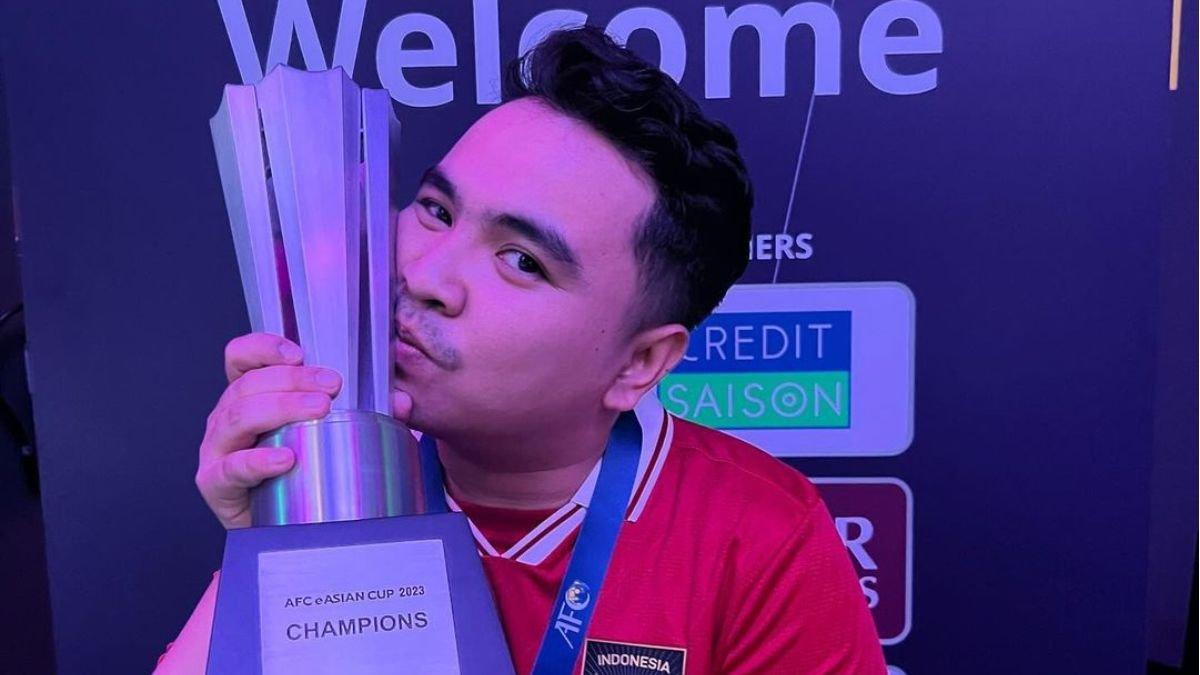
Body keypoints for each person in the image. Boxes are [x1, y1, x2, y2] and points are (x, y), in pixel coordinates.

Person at [157, 25, 885, 675]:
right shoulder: (342, 475)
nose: (426, 276)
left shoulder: (761, 538)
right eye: (436, 210)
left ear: (639, 364)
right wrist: (276, 539)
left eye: (521, 261)